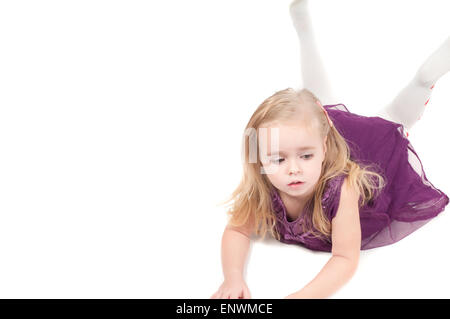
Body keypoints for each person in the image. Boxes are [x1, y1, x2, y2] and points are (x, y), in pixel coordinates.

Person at [210, 0, 449, 299]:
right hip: (315, 134)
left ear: (323, 148)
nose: (293, 168)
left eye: (305, 156)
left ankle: (423, 80)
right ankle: (305, 29)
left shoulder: (342, 188)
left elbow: (345, 258)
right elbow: (236, 230)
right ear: (260, 158)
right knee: (315, 106)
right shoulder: (266, 184)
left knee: (392, 122)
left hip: (369, 153)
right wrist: (232, 278)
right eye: (278, 158)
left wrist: (300, 297)